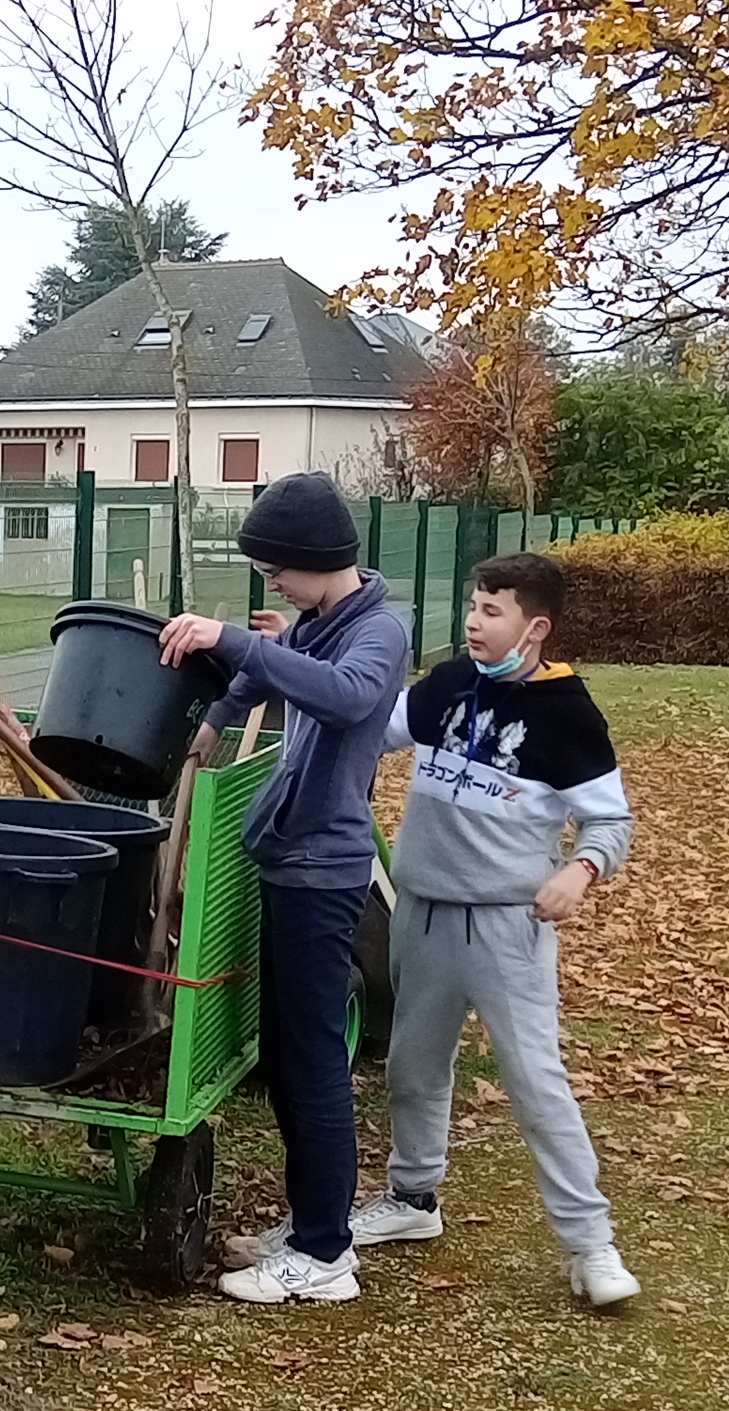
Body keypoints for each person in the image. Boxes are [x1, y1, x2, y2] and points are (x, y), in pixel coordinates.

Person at [142, 474, 415, 1305]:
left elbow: (343, 696)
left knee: (311, 1062)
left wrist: (233, 638)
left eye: (276, 571)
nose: (274, 587)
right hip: (291, 861)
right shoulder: (322, 621)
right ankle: (309, 1225)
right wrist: (218, 714)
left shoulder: (377, 634)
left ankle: (325, 1256)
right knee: (292, 1058)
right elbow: (276, 670)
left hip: (322, 872)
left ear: (314, 560)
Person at [351, 552, 640, 1308]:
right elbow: (369, 727)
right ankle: (412, 1201)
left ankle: (592, 1246)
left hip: (508, 929)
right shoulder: (446, 685)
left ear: (535, 627)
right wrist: (310, 657)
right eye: (474, 607)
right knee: (413, 1067)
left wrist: (579, 873)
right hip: (421, 913)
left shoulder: (567, 712)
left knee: (536, 1085)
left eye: (493, 611)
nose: (475, 623)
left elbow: (610, 819)